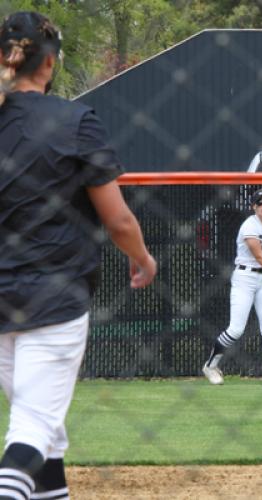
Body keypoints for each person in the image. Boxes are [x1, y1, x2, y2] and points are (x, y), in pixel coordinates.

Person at [0, 11, 157, 500]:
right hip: (55, 295)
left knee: (48, 434)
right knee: (31, 428)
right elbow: (118, 220)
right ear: (49, 65)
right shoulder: (74, 122)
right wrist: (144, 259)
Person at [202, 188, 262, 386]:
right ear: (253, 206)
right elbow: (260, 257)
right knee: (236, 329)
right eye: (259, 203)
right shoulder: (249, 226)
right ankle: (210, 365)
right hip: (245, 278)